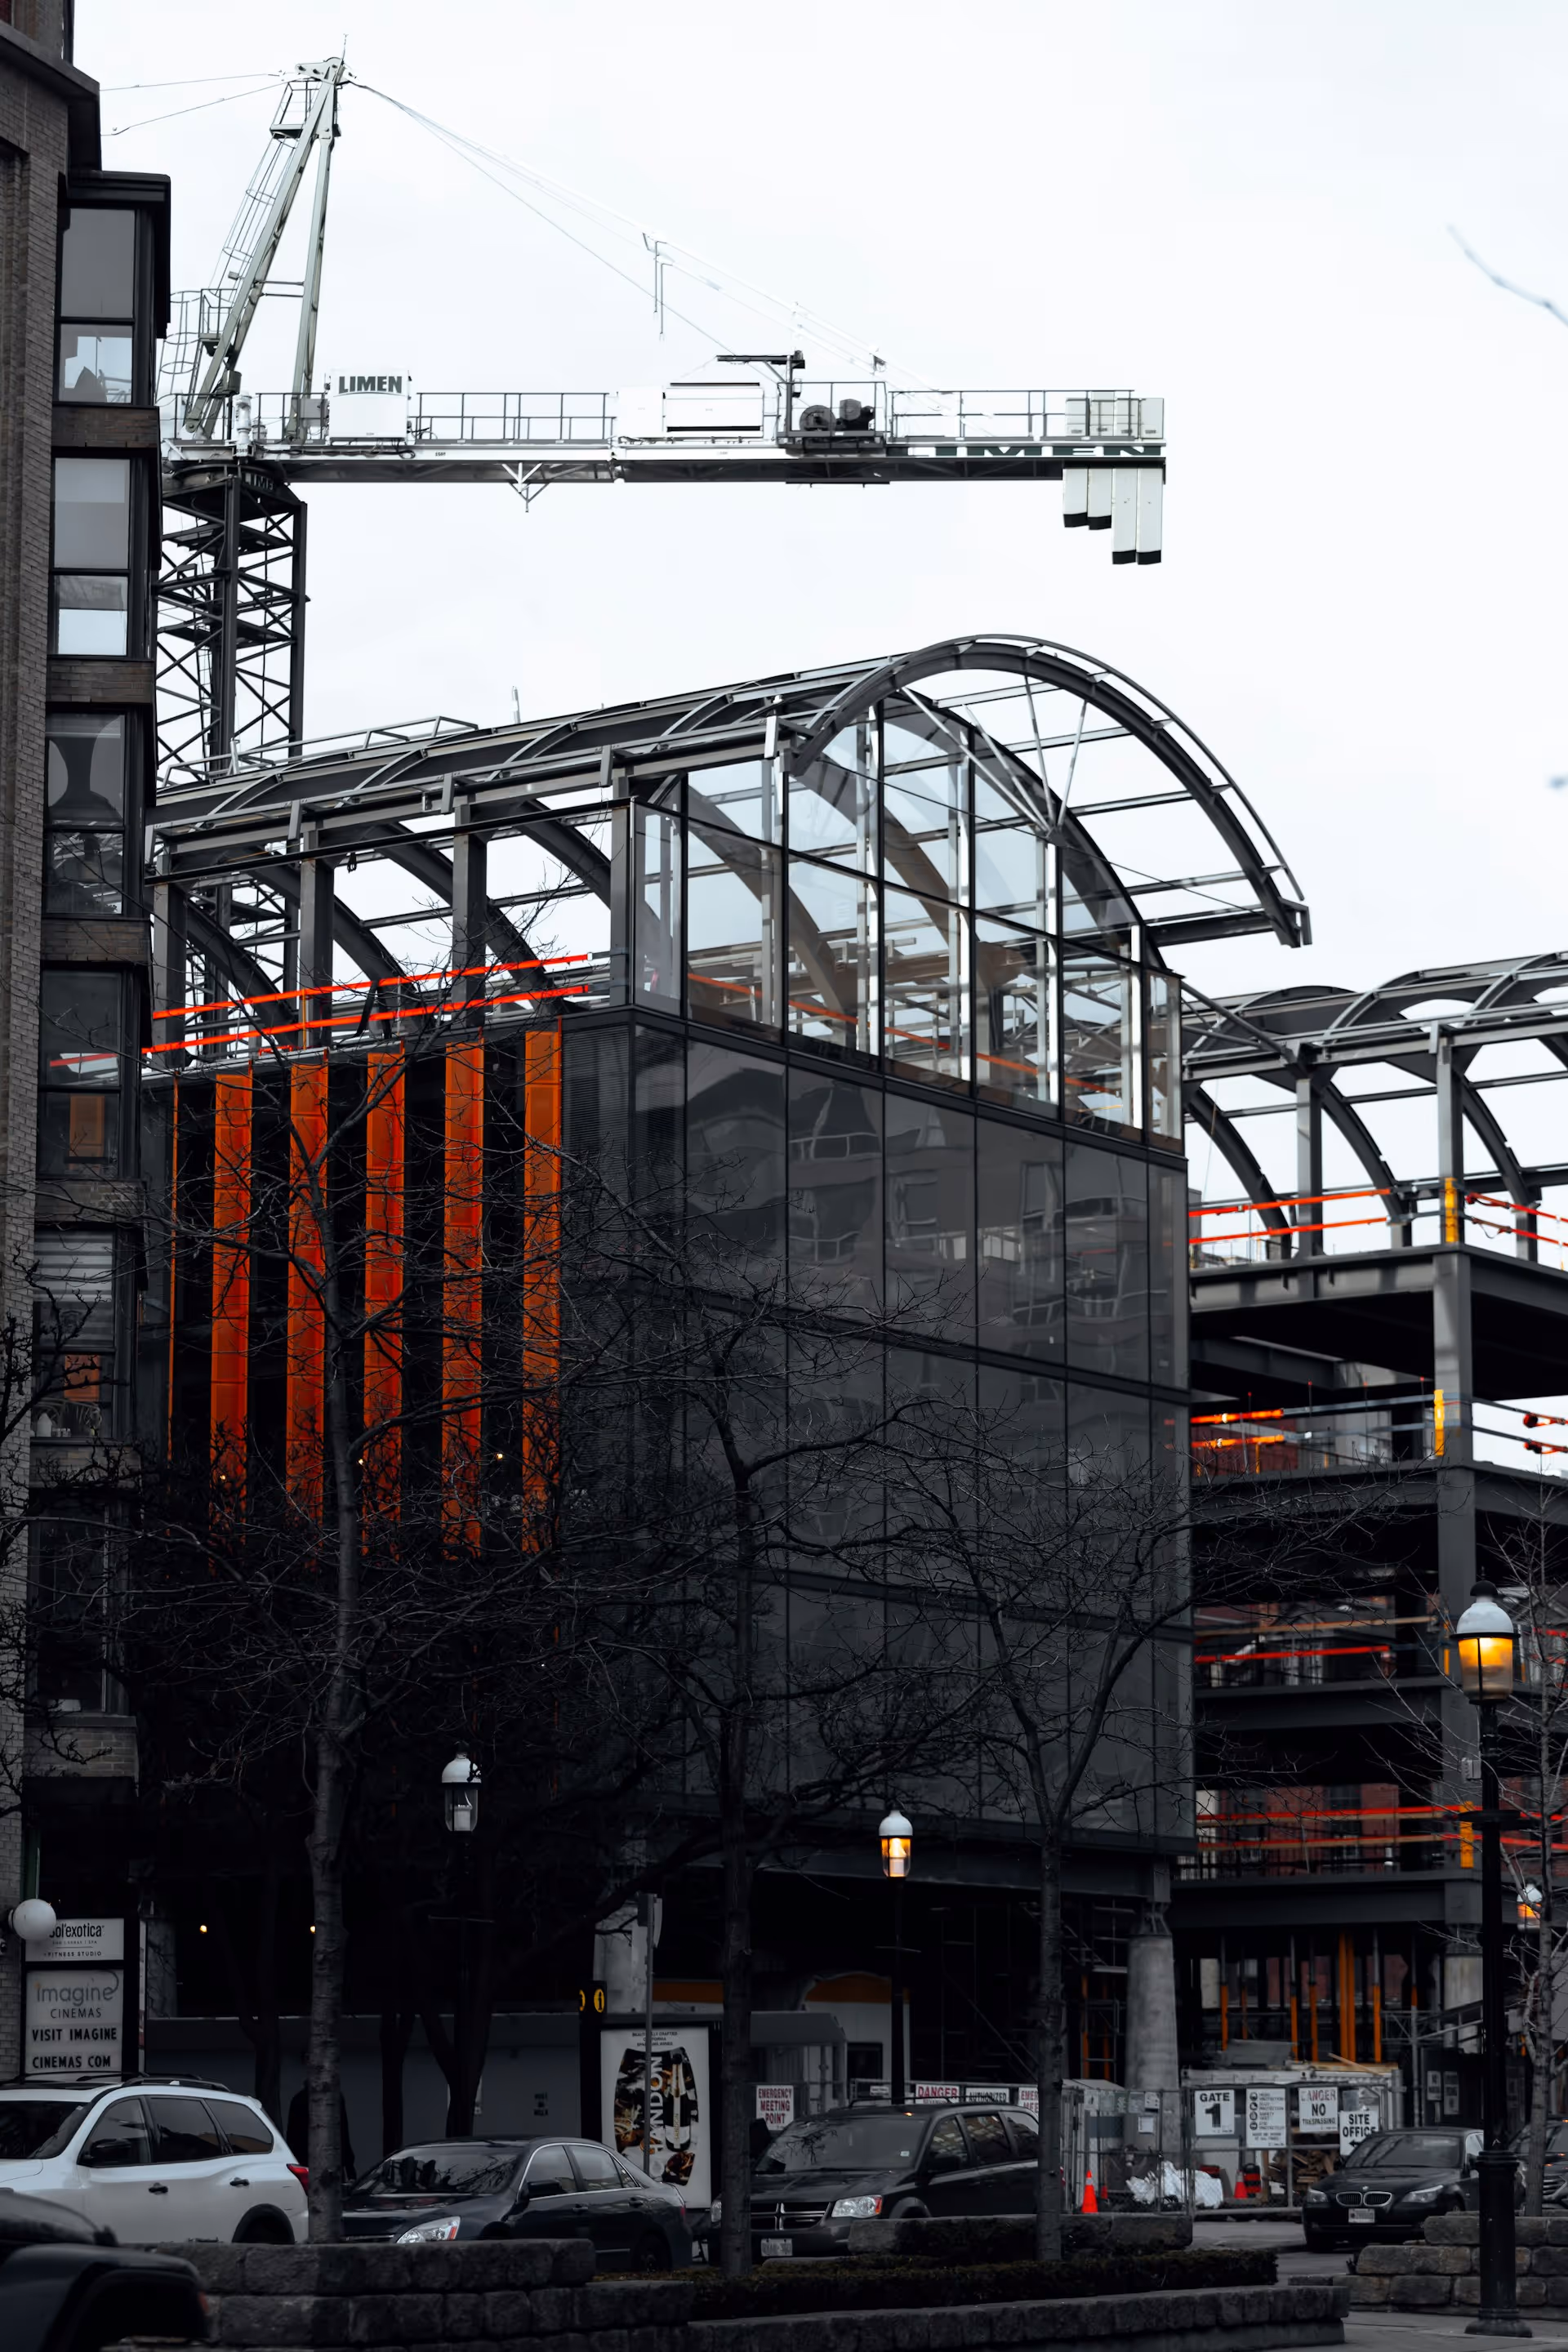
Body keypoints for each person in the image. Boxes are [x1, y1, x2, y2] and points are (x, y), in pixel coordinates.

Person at [285, 2087, 355, 2180]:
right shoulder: (300, 2100)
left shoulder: (299, 2099)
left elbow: (343, 2133)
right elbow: (343, 2133)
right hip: (319, 2163)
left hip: (317, 2163)